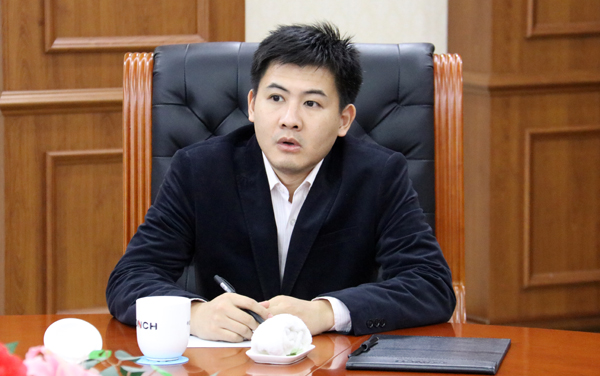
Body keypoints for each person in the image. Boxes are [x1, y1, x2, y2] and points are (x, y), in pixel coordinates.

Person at [106, 23, 456, 342]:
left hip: (332, 361)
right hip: (228, 361)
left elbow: (431, 285)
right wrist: (194, 314)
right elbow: (131, 276)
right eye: (276, 98)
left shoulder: (378, 174)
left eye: (312, 103)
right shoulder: (199, 169)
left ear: (344, 120)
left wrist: (326, 312)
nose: (290, 120)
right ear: (252, 105)